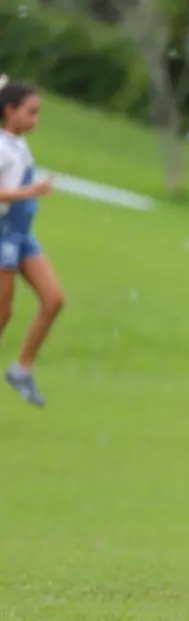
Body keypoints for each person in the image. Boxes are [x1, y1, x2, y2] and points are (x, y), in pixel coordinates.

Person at [0, 78, 62, 407]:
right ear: (9, 111)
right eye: (31, 112)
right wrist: (30, 191)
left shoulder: (17, 143)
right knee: (2, 313)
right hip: (2, 235)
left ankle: (22, 369)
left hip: (23, 235)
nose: (35, 120)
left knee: (54, 299)